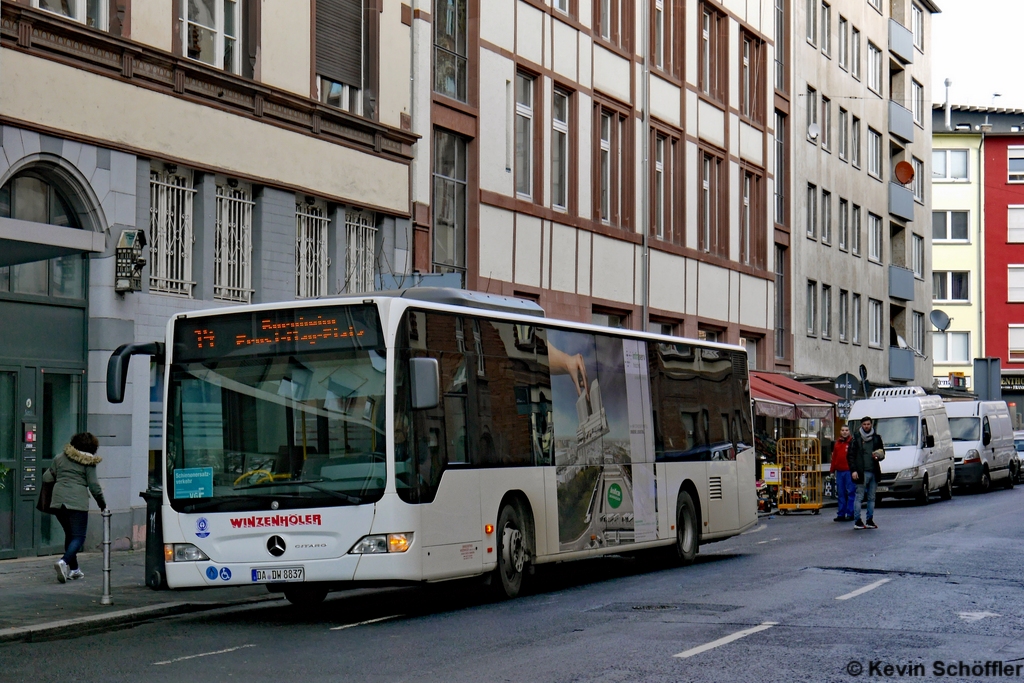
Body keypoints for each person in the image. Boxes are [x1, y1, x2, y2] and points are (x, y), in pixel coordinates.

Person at [42, 432, 106, 583]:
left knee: (70, 535)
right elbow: (94, 485)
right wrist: (102, 504)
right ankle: (63, 562)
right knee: (79, 537)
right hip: (77, 502)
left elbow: (47, 477)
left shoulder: (59, 458)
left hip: (58, 502)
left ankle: (75, 570)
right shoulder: (88, 461)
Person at [849, 416, 884, 530]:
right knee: (859, 497)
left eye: (868, 424)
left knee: (871, 497)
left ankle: (870, 520)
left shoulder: (876, 438)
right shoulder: (856, 438)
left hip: (873, 471)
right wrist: (853, 470)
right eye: (864, 424)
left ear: (871, 424)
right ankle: (857, 520)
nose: (866, 426)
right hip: (861, 472)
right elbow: (851, 456)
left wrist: (878, 456)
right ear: (861, 425)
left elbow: (882, 453)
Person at [830, 425, 855, 522]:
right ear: (840, 431)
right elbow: (834, 458)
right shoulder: (837, 443)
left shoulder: (852, 443)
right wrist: (832, 470)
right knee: (841, 493)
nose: (844, 432)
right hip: (839, 471)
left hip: (849, 471)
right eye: (843, 430)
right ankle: (841, 513)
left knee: (850, 492)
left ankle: (850, 513)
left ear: (849, 431)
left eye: (846, 430)